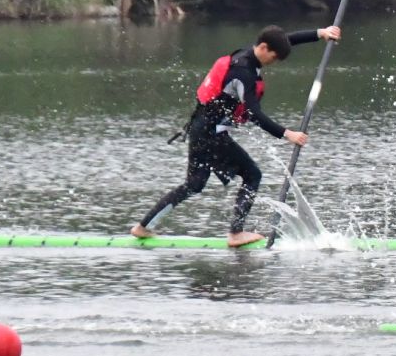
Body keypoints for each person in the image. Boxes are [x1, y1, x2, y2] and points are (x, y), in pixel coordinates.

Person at [132, 24, 340, 247]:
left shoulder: (249, 54)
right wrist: (287, 134)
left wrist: (320, 33)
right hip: (211, 134)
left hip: (201, 129)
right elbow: (254, 113)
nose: (275, 61)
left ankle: (143, 227)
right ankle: (236, 233)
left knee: (194, 184)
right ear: (263, 47)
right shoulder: (243, 74)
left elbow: (286, 40)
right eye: (274, 57)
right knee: (252, 175)